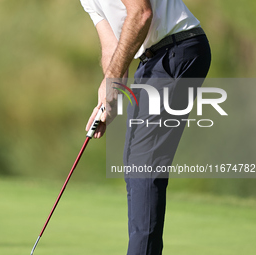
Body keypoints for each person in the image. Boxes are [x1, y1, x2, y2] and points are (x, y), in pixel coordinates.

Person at [80, 0, 211, 254]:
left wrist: (112, 81)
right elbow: (112, 47)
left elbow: (141, 14)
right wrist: (109, 97)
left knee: (144, 165)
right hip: (152, 60)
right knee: (135, 164)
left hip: (177, 48)